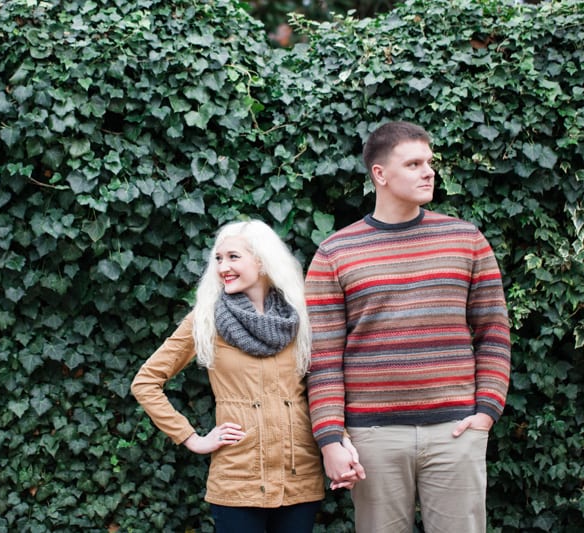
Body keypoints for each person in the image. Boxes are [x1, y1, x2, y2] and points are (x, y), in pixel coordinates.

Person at [305, 121, 511, 533]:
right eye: (413, 163)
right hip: (373, 436)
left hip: (456, 431)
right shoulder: (335, 252)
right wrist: (330, 438)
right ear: (379, 174)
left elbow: (494, 333)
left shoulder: (465, 239)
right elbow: (322, 358)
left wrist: (486, 412)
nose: (428, 171)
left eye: (429, 162)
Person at [131, 219, 328, 533]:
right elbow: (146, 382)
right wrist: (191, 438)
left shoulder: (299, 319)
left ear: (262, 261)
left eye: (233, 257)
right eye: (219, 259)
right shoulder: (206, 319)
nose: (223, 266)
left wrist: (339, 441)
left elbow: (323, 386)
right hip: (238, 481)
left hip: (299, 478)